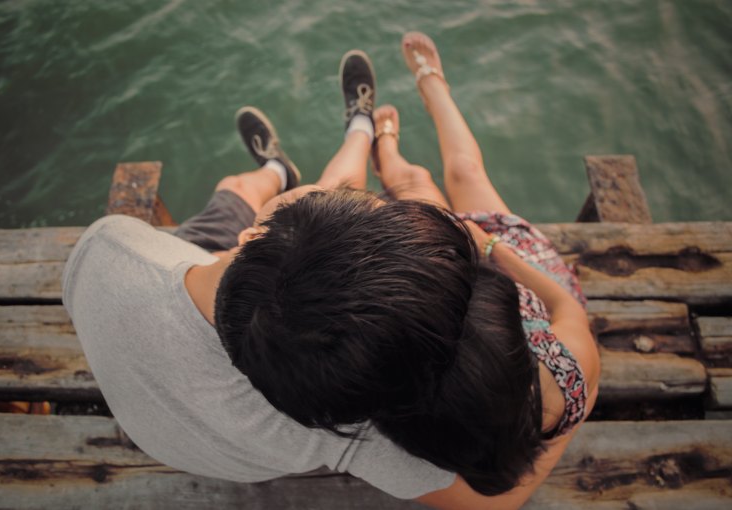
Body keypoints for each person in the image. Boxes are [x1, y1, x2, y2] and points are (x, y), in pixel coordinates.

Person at [63, 33, 599, 510]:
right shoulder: (344, 416)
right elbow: (494, 499)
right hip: (214, 365)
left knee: (235, 190)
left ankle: (284, 168)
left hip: (170, 292)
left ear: (248, 238)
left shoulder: (108, 244)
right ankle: (355, 133)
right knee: (264, 191)